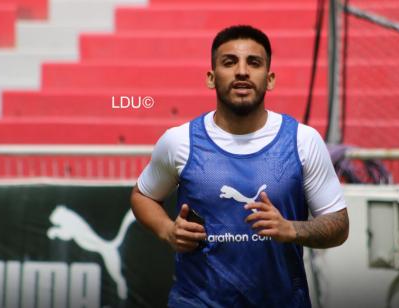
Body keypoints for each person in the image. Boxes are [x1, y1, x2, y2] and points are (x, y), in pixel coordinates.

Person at [130, 25, 349, 307]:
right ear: (211, 77)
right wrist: (167, 230)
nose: (242, 71)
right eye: (229, 62)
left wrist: (292, 229)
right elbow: (142, 195)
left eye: (254, 63)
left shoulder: (303, 141)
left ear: (269, 79)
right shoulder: (179, 141)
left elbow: (339, 226)